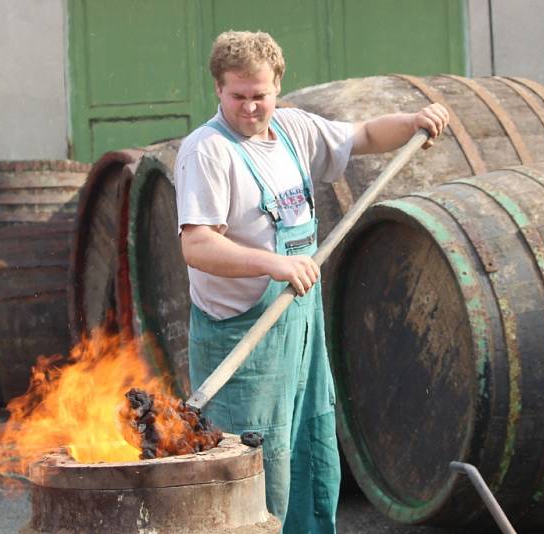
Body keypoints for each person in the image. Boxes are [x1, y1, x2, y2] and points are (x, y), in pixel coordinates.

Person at [174, 30, 449, 533]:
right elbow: (196, 246)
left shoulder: (295, 130)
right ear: (218, 89)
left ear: (278, 87)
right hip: (242, 339)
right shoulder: (208, 152)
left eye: (261, 95)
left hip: (298, 328)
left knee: (309, 449)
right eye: (238, 96)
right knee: (255, 467)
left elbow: (364, 136)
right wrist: (272, 263)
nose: (251, 108)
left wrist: (411, 122)